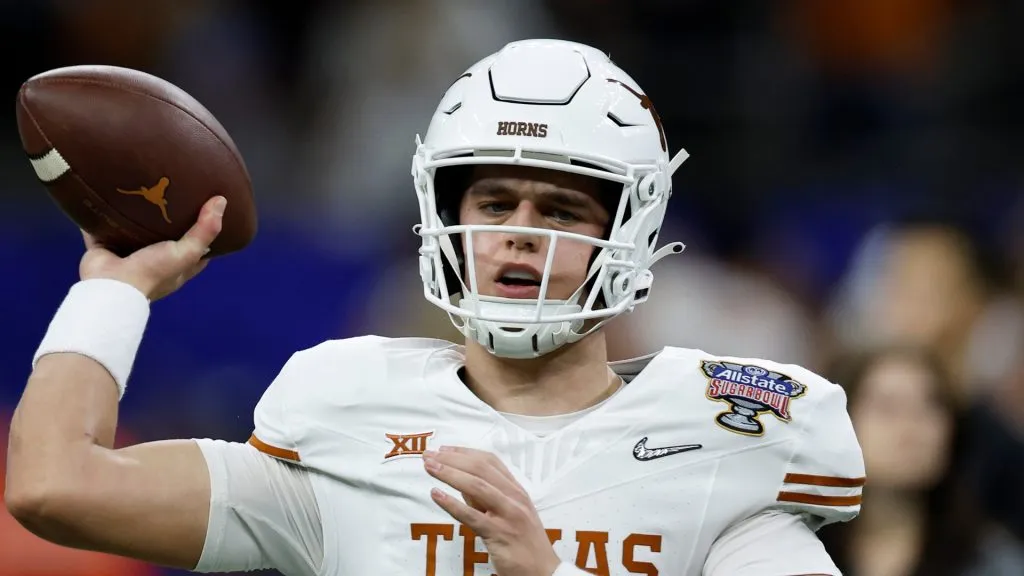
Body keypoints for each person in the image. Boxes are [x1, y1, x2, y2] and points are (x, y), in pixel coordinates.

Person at [6, 39, 864, 575]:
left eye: (561, 211)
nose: (520, 235)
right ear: (445, 221)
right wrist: (113, 291)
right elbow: (55, 484)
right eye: (494, 206)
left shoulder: (725, 436)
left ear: (632, 230)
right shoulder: (344, 413)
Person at [816, 346, 1024, 576]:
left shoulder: (991, 561)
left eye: (931, 407)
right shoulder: (792, 547)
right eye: (888, 408)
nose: (911, 429)